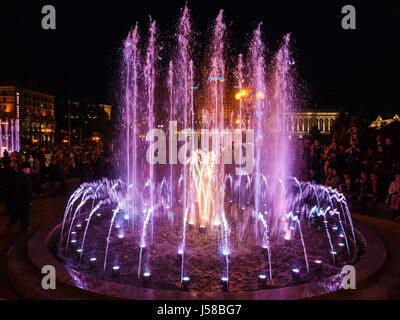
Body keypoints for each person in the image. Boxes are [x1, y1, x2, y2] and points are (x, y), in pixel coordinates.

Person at [7, 162, 33, 233]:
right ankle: (24, 228)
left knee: (17, 213)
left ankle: (10, 225)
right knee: (25, 214)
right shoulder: (26, 178)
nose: (29, 170)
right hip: (24, 199)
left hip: (17, 199)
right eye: (28, 168)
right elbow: (29, 190)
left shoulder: (18, 176)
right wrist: (30, 200)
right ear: (24, 169)